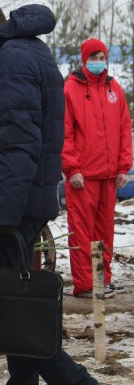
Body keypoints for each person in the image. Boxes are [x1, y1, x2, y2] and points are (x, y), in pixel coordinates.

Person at [0, 0, 98, 384]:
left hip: (12, 205)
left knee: (20, 317)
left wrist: (3, 215)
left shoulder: (13, 59)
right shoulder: (21, 54)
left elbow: (20, 144)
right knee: (15, 307)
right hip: (16, 201)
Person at [62, 38, 132, 297]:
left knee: (104, 233)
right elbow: (65, 132)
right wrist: (72, 168)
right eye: (94, 57)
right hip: (83, 177)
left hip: (109, 176)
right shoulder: (71, 88)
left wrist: (123, 166)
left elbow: (124, 128)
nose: (99, 62)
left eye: (102, 56)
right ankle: (85, 284)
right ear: (84, 59)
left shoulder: (114, 89)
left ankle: (102, 280)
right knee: (81, 232)